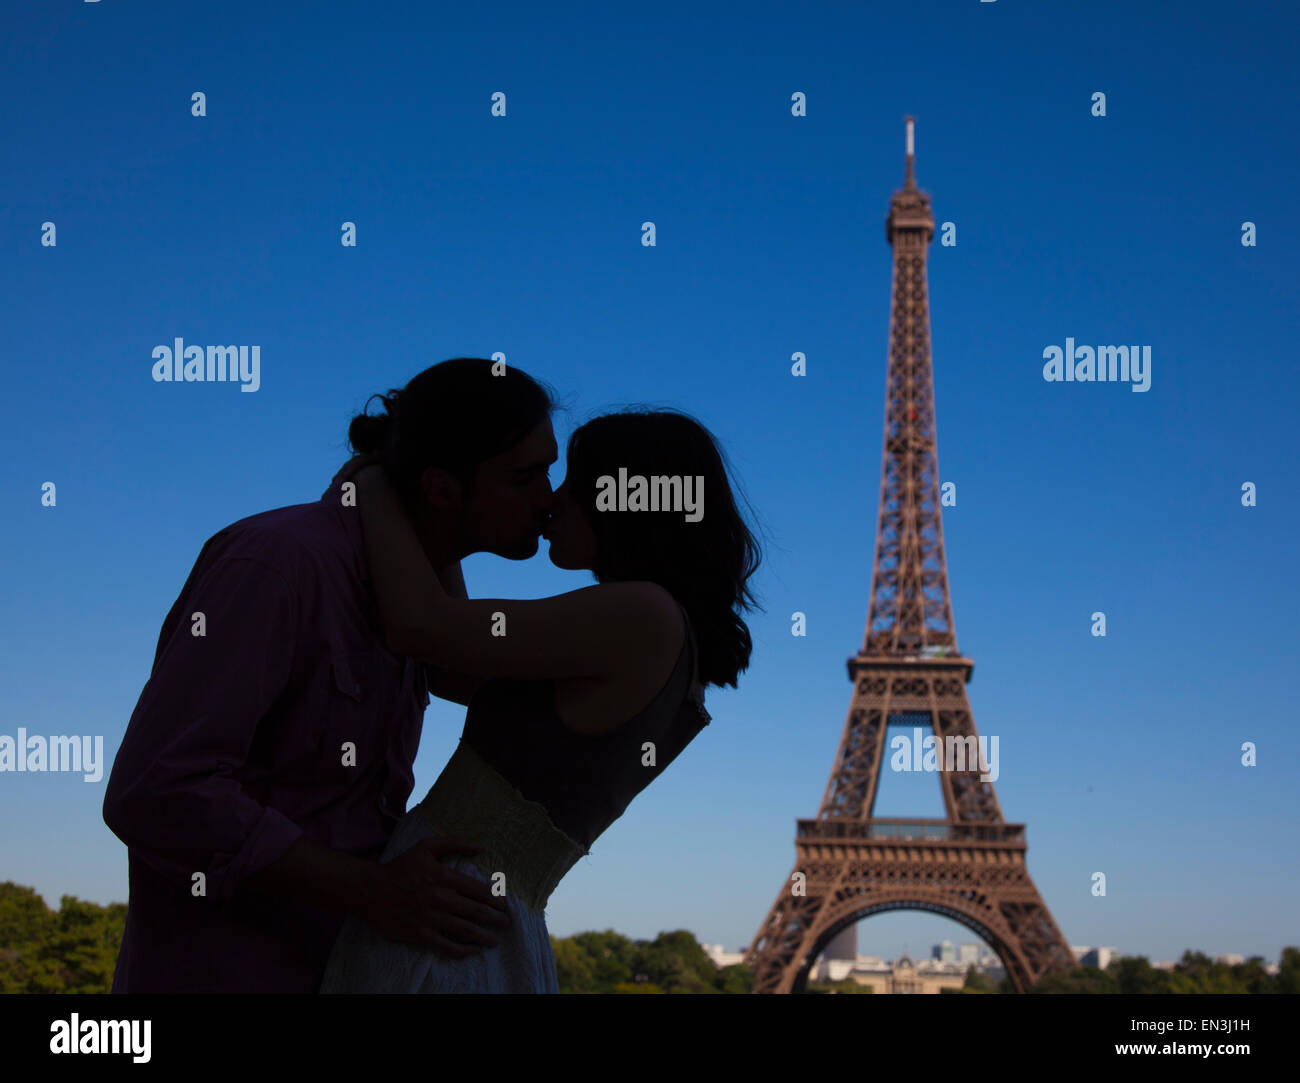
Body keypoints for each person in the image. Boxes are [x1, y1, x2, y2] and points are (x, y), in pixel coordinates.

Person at [102, 357, 559, 992]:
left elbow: (472, 671)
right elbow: (156, 790)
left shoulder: (401, 596)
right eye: (526, 476)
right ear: (442, 487)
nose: (550, 499)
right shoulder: (278, 564)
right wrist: (372, 889)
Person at [318, 408, 762, 992]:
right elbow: (450, 663)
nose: (553, 499)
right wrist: (444, 520)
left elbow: (419, 626)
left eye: (575, 481)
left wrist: (376, 485)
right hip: (473, 919)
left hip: (447, 919)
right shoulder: (659, 634)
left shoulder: (642, 614)